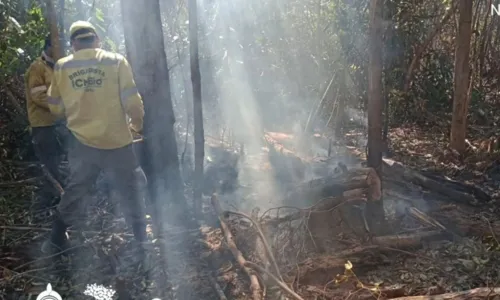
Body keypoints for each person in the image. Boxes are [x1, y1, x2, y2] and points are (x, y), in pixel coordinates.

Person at [42, 21, 148, 256]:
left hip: (82, 143)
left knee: (76, 189)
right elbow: (133, 102)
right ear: (97, 40)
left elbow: (56, 109)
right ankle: (141, 239)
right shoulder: (116, 61)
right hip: (118, 141)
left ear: (73, 44)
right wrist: (137, 127)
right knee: (132, 187)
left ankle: (57, 236)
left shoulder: (61, 67)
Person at [25, 35, 67, 206]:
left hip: (59, 122)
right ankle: (54, 196)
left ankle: (62, 192)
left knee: (61, 158)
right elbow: (38, 96)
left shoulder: (59, 66)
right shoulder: (38, 68)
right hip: (43, 123)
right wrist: (63, 108)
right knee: (50, 161)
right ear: (50, 47)